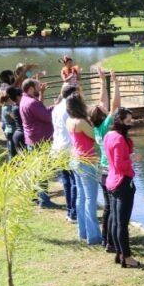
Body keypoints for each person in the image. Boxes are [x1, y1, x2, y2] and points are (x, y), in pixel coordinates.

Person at [65, 93, 102, 245]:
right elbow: (96, 136)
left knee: (81, 196)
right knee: (90, 198)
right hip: (87, 161)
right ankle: (94, 236)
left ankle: (83, 232)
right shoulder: (81, 122)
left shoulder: (69, 120)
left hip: (75, 159)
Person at [105, 107, 139, 268]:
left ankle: (119, 254)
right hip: (122, 182)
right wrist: (132, 158)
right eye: (128, 121)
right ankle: (127, 256)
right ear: (120, 121)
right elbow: (120, 165)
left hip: (111, 181)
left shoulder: (109, 135)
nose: (130, 123)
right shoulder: (119, 139)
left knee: (115, 220)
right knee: (122, 223)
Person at [93, 70, 120, 252]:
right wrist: (115, 83)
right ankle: (110, 241)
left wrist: (103, 81)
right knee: (112, 208)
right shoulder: (105, 126)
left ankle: (106, 239)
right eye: (102, 108)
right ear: (103, 115)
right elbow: (114, 106)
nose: (103, 105)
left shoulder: (97, 126)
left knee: (108, 207)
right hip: (110, 171)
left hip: (102, 170)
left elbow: (103, 102)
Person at [19, 78, 57, 208]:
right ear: (31, 88)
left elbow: (40, 110)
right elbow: (47, 116)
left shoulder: (25, 100)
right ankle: (44, 201)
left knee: (36, 170)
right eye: (37, 86)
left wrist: (42, 93)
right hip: (39, 141)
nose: (40, 87)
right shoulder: (32, 103)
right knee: (42, 171)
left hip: (32, 140)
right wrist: (57, 106)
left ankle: (34, 196)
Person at [51, 83, 79, 223]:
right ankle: (73, 213)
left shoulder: (56, 108)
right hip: (69, 148)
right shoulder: (69, 108)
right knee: (74, 181)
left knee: (66, 181)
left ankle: (70, 211)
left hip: (58, 147)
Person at [0, 87, 25, 159]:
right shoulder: (8, 108)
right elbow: (15, 118)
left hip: (9, 130)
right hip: (12, 131)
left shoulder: (4, 107)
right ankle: (11, 162)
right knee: (12, 151)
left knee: (11, 149)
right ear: (8, 99)